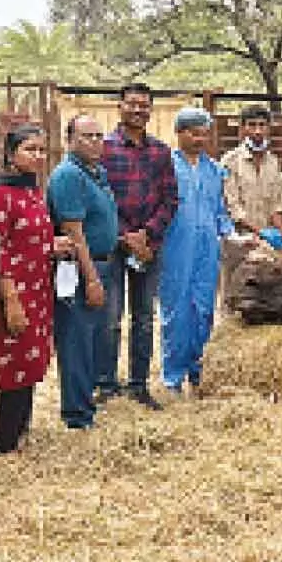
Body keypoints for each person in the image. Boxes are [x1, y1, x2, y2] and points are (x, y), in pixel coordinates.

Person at [0, 124, 72, 453]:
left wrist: (53, 244)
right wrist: (11, 300)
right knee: (14, 363)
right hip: (13, 292)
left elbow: (30, 239)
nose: (37, 156)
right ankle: (4, 442)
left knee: (33, 360)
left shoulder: (33, 189)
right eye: (29, 149)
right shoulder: (0, 193)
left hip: (39, 288)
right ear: (10, 154)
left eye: (41, 150)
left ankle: (21, 432)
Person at [99, 82, 178, 410]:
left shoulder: (161, 152)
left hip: (149, 249)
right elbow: (100, 199)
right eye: (132, 104)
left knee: (144, 318)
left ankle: (139, 385)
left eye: (144, 105)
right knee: (110, 318)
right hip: (112, 247)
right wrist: (125, 236)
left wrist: (147, 235)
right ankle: (106, 384)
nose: (138, 110)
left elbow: (171, 198)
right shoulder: (102, 149)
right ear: (120, 107)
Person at [46, 114, 118, 431]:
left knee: (95, 339)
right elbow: (74, 232)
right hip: (79, 268)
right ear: (69, 140)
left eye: (99, 136)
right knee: (77, 340)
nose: (95, 142)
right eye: (86, 136)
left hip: (106, 261)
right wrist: (91, 278)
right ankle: (76, 414)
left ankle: (86, 404)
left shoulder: (96, 173)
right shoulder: (68, 176)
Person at [160, 107, 234, 394]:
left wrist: (230, 234)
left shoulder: (214, 170)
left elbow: (219, 211)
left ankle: (198, 370)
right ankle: (172, 376)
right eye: (193, 132)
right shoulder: (167, 167)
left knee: (203, 309)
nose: (199, 138)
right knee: (176, 312)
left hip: (207, 250)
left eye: (204, 133)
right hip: (175, 248)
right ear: (179, 133)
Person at [220, 105, 282, 238]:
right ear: (242, 129)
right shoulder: (230, 161)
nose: (258, 131)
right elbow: (232, 205)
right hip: (241, 238)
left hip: (269, 239)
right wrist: (259, 232)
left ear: (268, 129)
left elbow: (276, 203)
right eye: (252, 125)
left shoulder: (273, 161)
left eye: (262, 125)